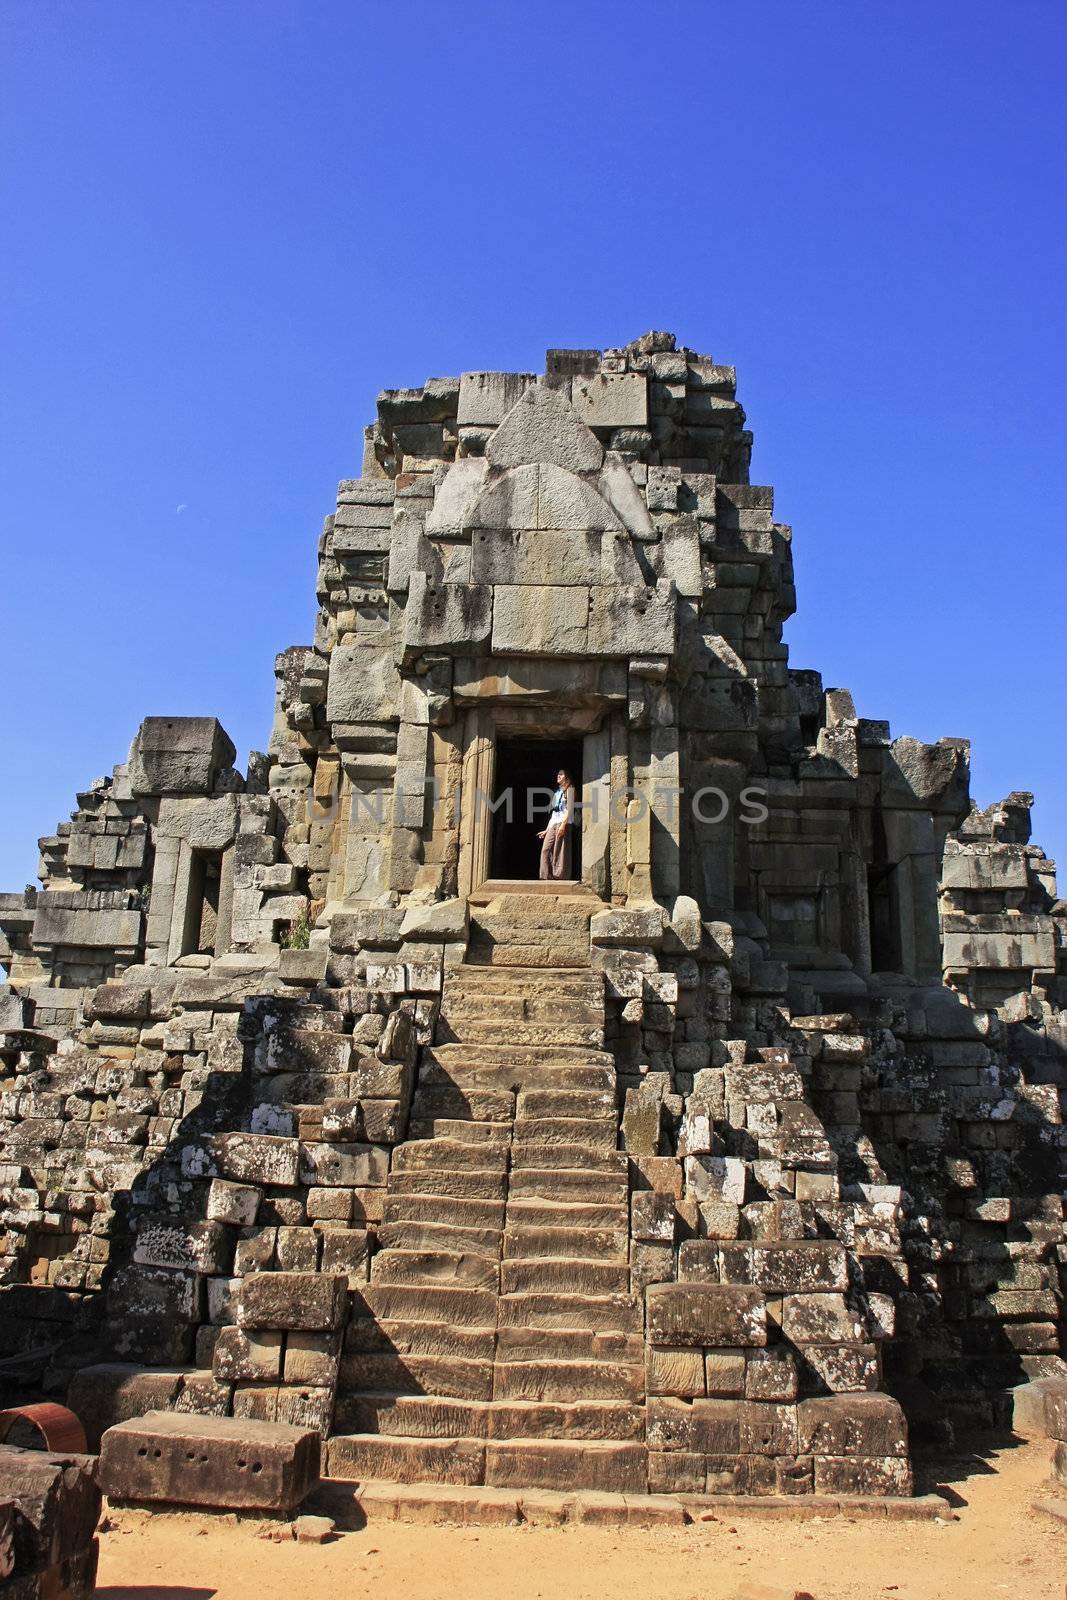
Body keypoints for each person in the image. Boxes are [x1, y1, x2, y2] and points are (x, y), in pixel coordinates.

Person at [538, 767, 575, 881]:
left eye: (561, 774)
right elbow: (554, 813)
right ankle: (545, 876)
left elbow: (570, 808)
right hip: (554, 823)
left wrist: (563, 825)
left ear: (567, 777)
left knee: (559, 850)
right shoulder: (557, 792)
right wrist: (546, 829)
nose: (558, 776)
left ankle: (559, 876)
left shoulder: (570, 789)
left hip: (563, 822)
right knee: (546, 849)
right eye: (558, 774)